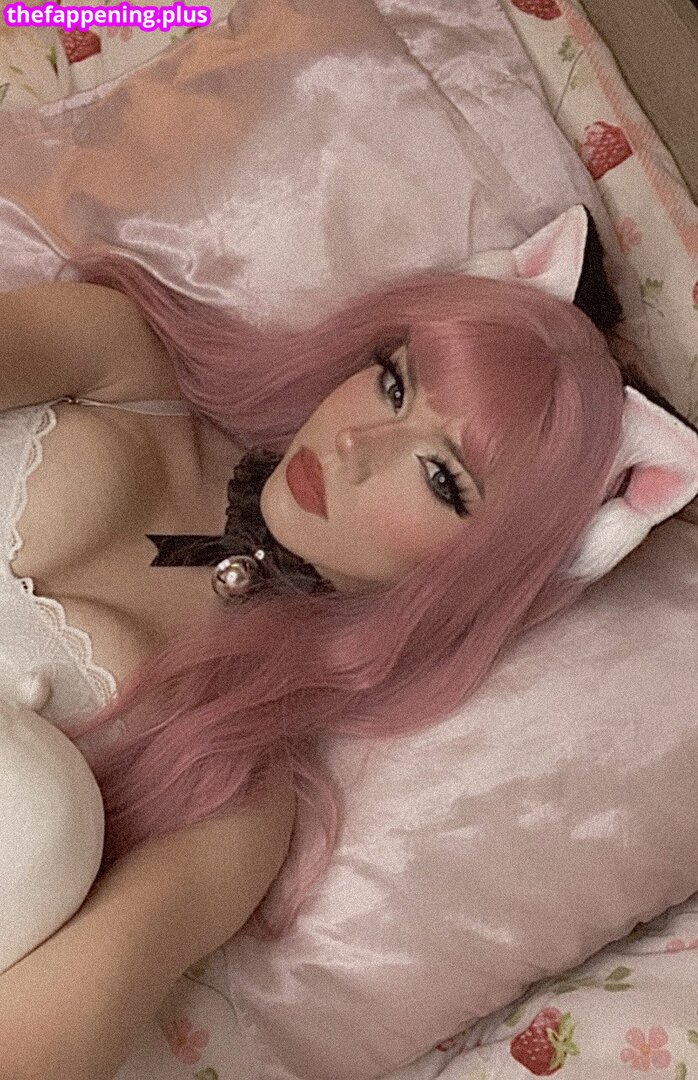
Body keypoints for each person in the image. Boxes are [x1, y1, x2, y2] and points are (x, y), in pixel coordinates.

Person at [0, 208, 695, 1079]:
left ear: (485, 568)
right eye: (394, 385)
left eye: (441, 478)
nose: (357, 445)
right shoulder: (116, 356)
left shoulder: (231, 793)